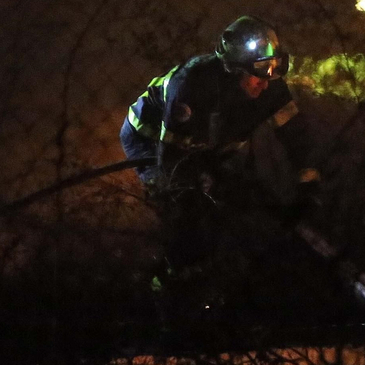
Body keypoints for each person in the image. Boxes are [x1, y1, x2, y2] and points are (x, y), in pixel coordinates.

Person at [120, 16, 321, 316]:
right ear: (233, 69)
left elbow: (295, 134)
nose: (266, 81)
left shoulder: (272, 87)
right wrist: (194, 185)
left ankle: (219, 286)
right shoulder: (192, 84)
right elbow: (172, 157)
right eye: (259, 72)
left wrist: (307, 180)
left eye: (273, 69)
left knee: (240, 202)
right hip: (152, 141)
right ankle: (168, 289)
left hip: (207, 147)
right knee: (184, 208)